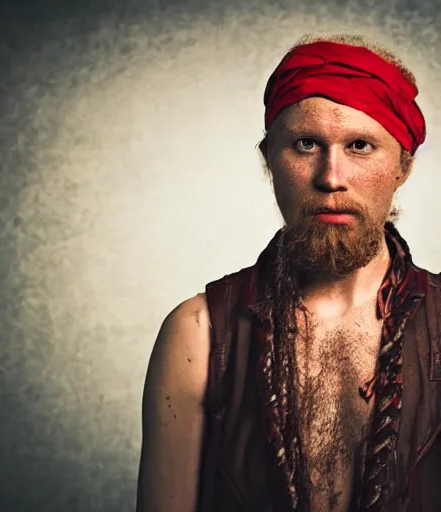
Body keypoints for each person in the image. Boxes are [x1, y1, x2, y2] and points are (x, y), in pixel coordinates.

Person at [135, 33, 441, 512]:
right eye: (305, 144)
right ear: (270, 159)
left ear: (403, 166)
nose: (332, 176)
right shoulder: (197, 335)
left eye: (360, 145)